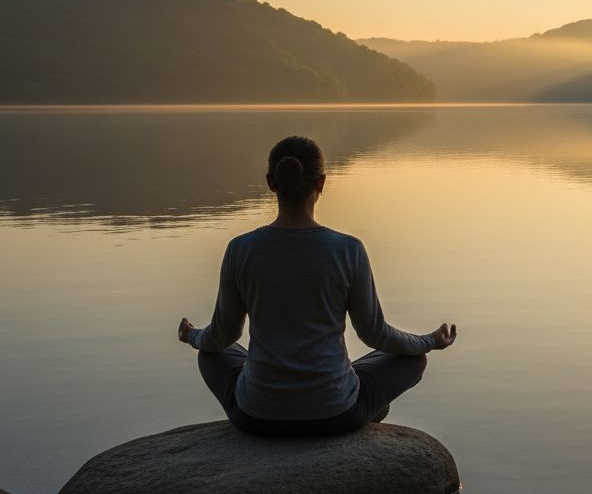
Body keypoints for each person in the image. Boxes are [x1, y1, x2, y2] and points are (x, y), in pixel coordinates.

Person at [177, 135, 456, 437]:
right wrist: (428, 342)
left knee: (209, 353)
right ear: (321, 183)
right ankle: (362, 403)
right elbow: (375, 334)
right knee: (413, 361)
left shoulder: (241, 250)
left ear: (271, 183)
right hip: (336, 413)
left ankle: (282, 391)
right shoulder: (348, 250)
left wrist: (192, 336)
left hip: (256, 416)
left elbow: (222, 336)